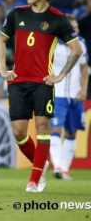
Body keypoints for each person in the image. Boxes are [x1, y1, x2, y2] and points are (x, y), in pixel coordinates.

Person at [0, 0, 83, 193]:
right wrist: (3, 69)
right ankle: (40, 163)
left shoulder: (57, 19)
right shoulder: (16, 14)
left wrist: (60, 75)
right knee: (18, 132)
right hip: (17, 81)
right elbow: (0, 40)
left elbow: (77, 49)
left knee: (43, 127)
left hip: (43, 82)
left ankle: (35, 180)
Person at [50, 14, 88, 180]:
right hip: (57, 93)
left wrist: (84, 89)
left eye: (77, 27)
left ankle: (64, 169)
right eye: (73, 28)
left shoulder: (82, 44)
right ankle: (57, 166)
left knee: (72, 131)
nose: (76, 30)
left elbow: (85, 69)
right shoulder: (52, 44)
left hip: (75, 93)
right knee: (55, 129)